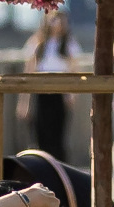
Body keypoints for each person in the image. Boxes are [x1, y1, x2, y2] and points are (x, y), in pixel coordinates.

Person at [24, 12, 77, 162]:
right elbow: (29, 73)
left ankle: (60, 169)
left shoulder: (68, 44)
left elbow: (73, 71)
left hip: (59, 94)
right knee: (40, 134)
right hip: (40, 94)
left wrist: (71, 94)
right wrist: (25, 102)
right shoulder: (37, 43)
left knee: (58, 135)